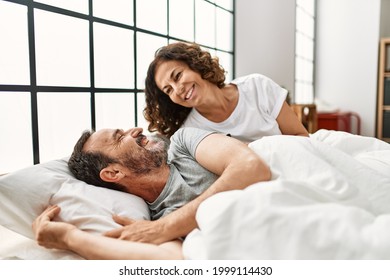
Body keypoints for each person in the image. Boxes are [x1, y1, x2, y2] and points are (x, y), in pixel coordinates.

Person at [33, 126, 271, 259]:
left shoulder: (184, 142)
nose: (135, 130)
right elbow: (171, 263)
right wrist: (69, 238)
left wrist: (165, 228)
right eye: (120, 137)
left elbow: (251, 167)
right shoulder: (153, 220)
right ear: (113, 173)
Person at [144, 42, 309, 141]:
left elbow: (300, 136)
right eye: (169, 90)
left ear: (195, 64)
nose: (178, 89)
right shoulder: (191, 132)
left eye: (178, 75)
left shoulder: (257, 87)